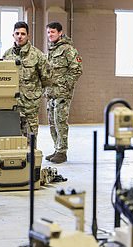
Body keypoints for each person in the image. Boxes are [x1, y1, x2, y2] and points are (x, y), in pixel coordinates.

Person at [3, 21, 50, 138]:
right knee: (12, 137)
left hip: (30, 105)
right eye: (17, 33)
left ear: (28, 36)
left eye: (23, 34)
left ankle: (31, 157)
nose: (20, 36)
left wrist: (35, 94)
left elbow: (46, 78)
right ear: (13, 35)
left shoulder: (37, 55)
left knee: (31, 137)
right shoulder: (7, 55)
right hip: (12, 104)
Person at [45, 21, 82, 164]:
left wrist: (65, 85)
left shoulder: (68, 49)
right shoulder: (51, 49)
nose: (50, 35)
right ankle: (56, 148)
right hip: (51, 92)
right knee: (52, 122)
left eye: (53, 32)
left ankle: (62, 151)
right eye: (48, 32)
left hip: (62, 93)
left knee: (60, 121)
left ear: (60, 33)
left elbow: (77, 69)